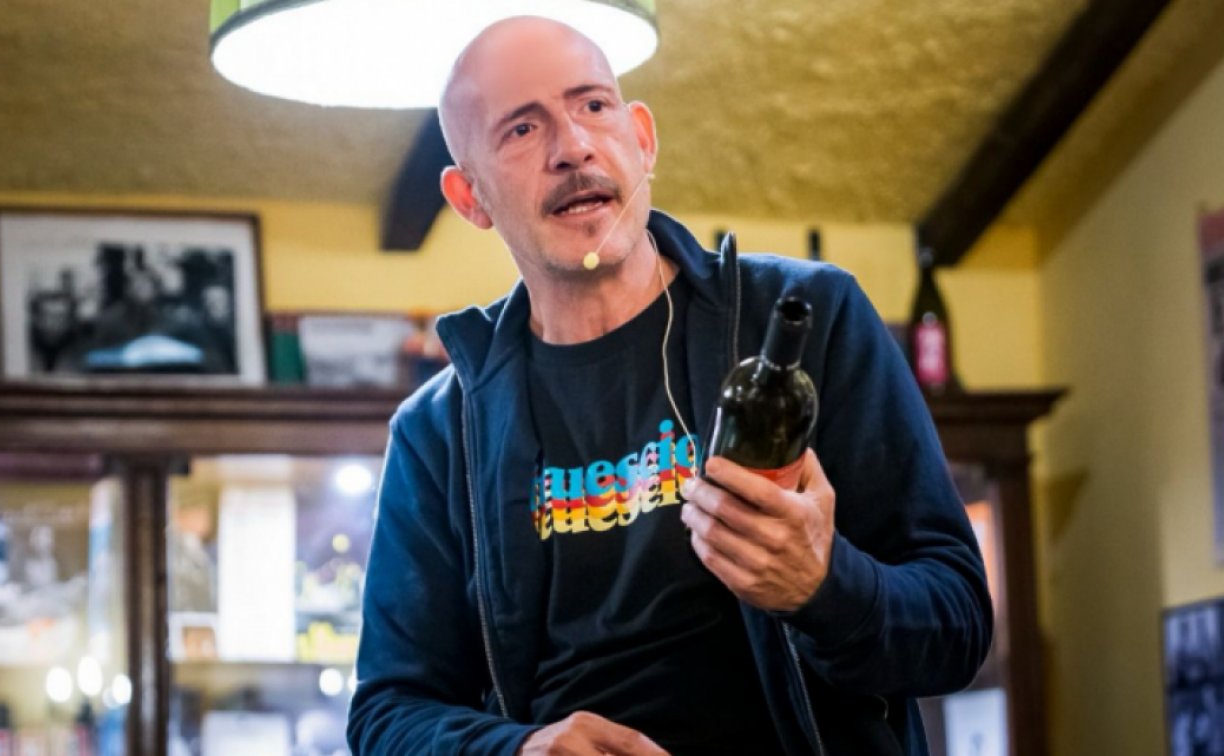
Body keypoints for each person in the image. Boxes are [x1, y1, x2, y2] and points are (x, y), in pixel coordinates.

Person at [347, 16, 992, 755]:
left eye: (593, 105)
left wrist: (824, 585)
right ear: (470, 198)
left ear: (643, 139)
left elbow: (959, 627)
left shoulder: (810, 319)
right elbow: (386, 715)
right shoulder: (437, 432)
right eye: (521, 129)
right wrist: (519, 750)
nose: (572, 146)